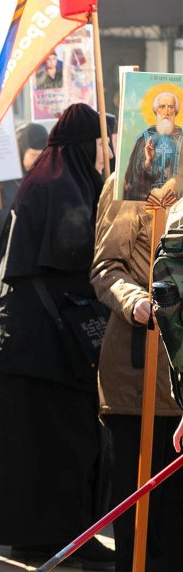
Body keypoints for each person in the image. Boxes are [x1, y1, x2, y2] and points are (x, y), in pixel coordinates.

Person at [0, 104, 116, 569]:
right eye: (103, 142)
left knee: (45, 448)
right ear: (85, 143)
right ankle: (60, 539)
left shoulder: (53, 179)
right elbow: (70, 255)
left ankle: (52, 537)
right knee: (57, 448)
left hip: (36, 345)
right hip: (47, 349)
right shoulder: (59, 187)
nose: (107, 151)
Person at [92, 175, 183, 571]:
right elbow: (106, 267)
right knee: (141, 518)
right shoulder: (132, 181)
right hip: (140, 370)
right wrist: (137, 301)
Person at [123, 91, 183, 200]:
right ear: (156, 111)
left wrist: (176, 181)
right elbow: (132, 179)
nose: (166, 112)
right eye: (162, 107)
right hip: (147, 201)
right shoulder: (144, 139)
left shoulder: (182, 138)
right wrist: (147, 162)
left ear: (176, 111)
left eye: (170, 107)